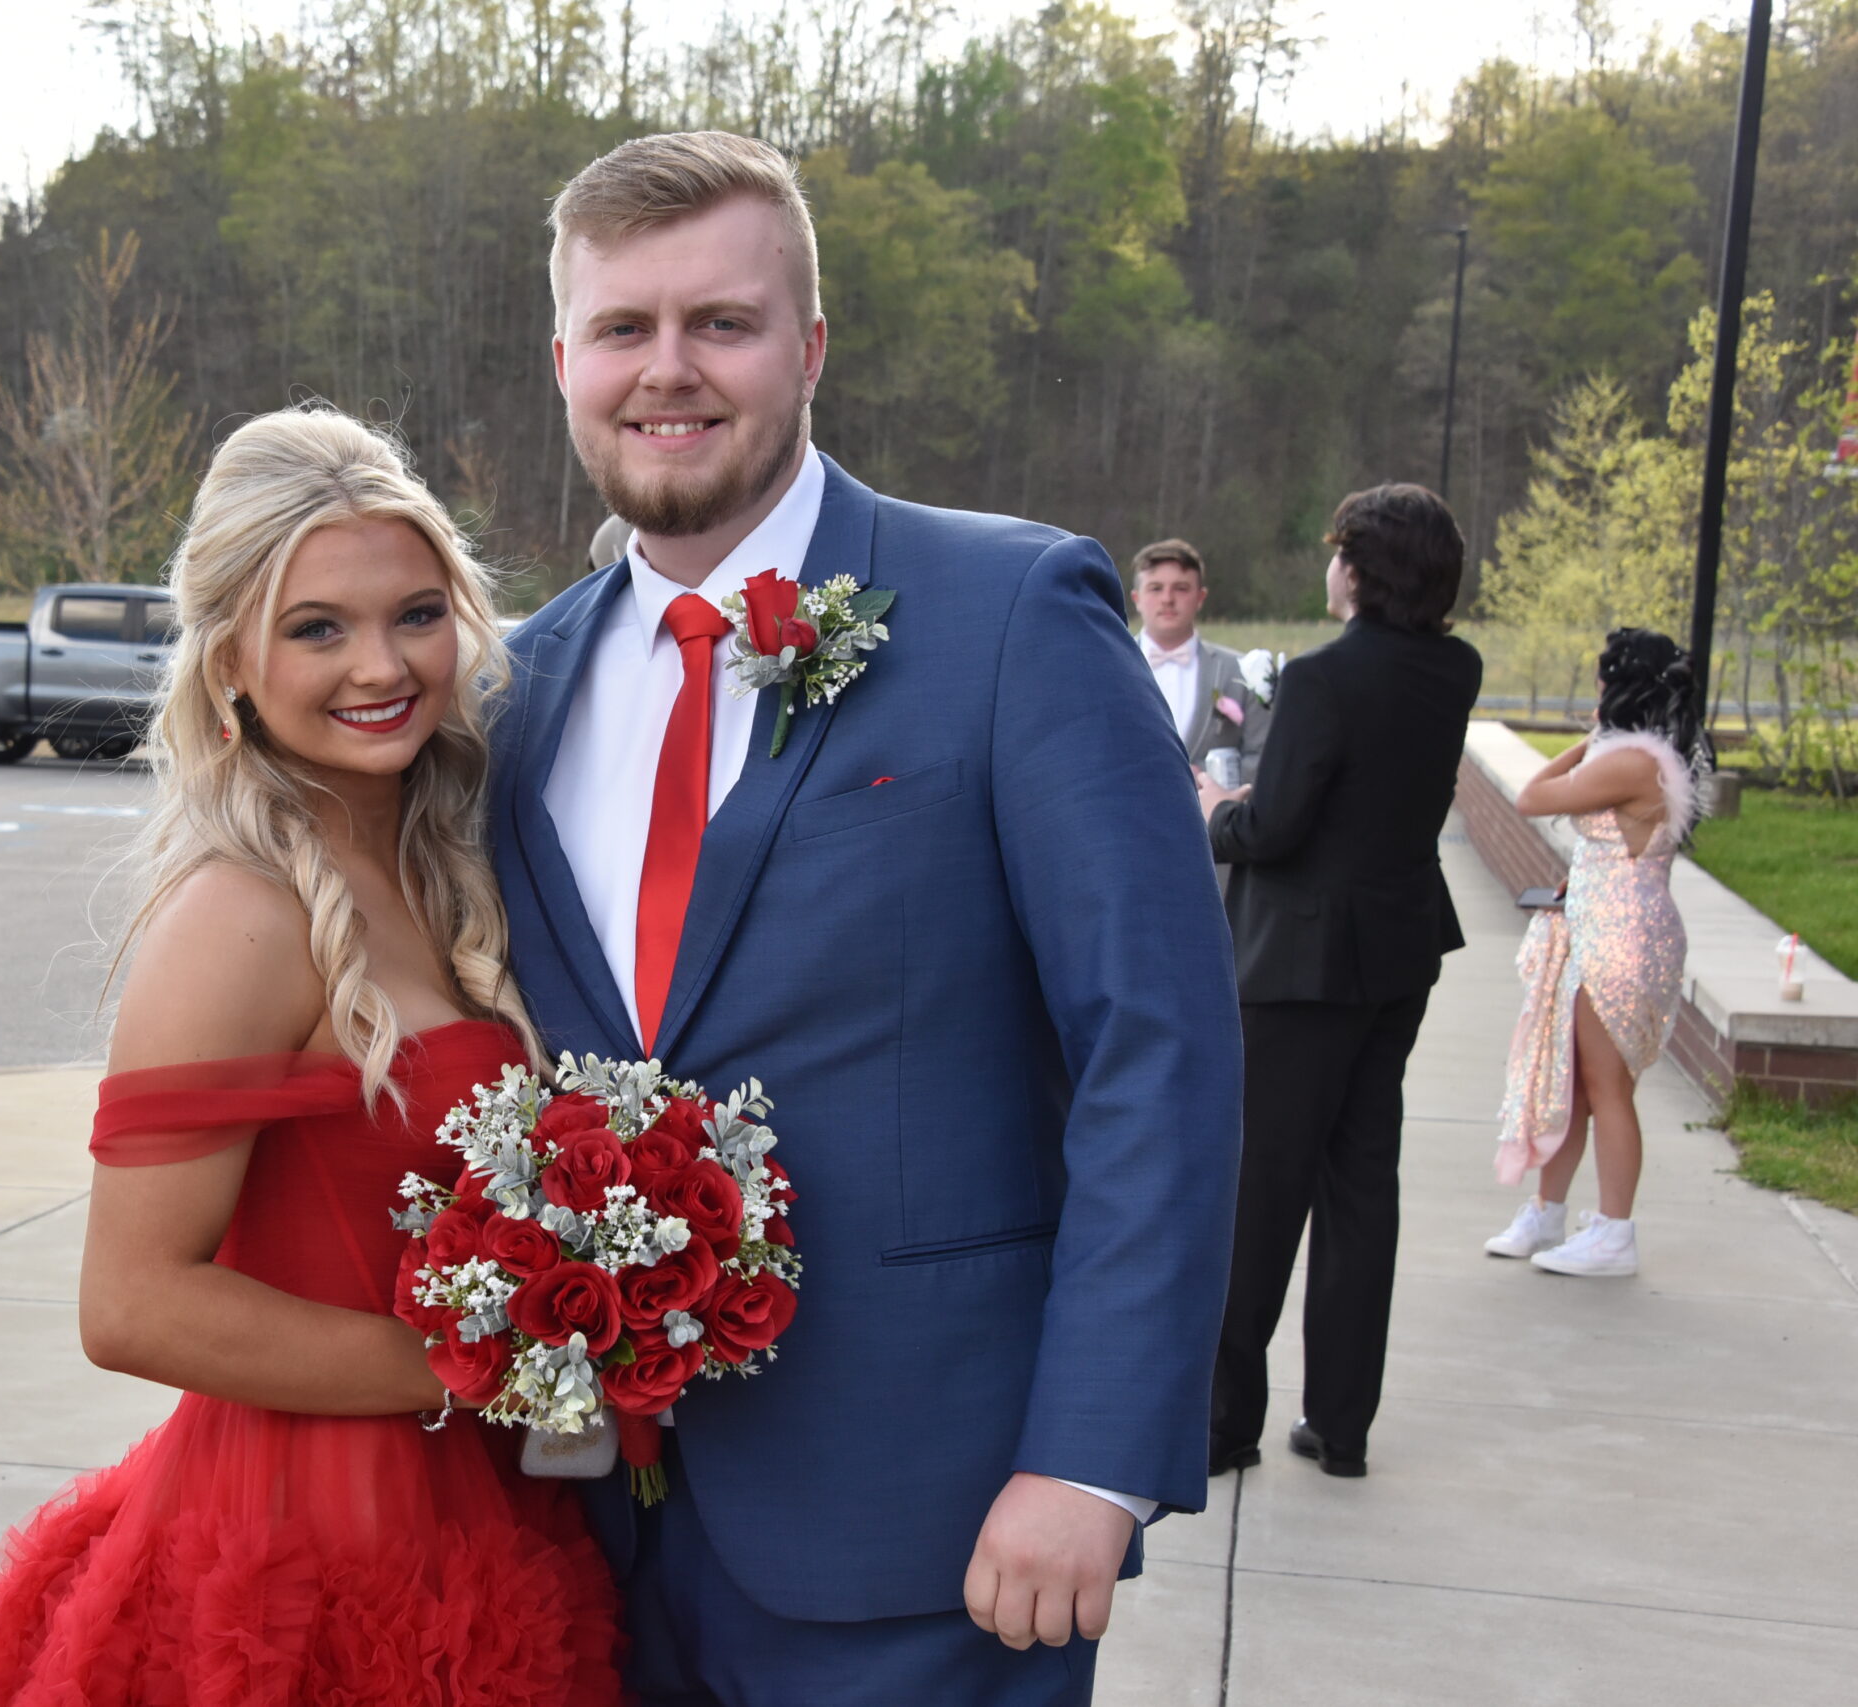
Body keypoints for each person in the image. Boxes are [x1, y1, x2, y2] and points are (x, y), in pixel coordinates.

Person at [493, 131, 1241, 1705]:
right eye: (624, 327)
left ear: (812, 346)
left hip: (936, 1533)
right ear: (565, 362)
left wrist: (1092, 1458)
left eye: (723, 321)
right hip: (585, 1539)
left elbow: (1158, 1044)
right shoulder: (515, 684)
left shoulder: (1013, 612)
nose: (669, 368)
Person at [0, 406, 622, 1707]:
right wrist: (484, 1363)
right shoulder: (238, 915)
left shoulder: (445, 865)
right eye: (317, 628)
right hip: (302, 1553)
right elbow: (131, 1303)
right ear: (230, 659)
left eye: (415, 613)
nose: (380, 664)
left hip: (482, 1509)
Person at [1198, 484, 1482, 1481]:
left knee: (1262, 1193)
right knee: (1362, 1185)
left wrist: (1215, 807)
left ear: (1361, 570)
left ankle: (1223, 1422)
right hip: (1398, 952)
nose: (1329, 569)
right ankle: (1341, 1422)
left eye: (1337, 553)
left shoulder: (1323, 679)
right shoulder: (1455, 668)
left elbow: (1273, 830)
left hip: (1300, 967)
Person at [1487, 630, 1707, 1279]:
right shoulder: (1646, 754)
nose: (1597, 690)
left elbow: (1532, 796)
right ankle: (1548, 1211)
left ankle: (1614, 1234)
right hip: (1608, 926)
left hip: (1621, 937)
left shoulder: (1632, 759)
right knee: (1576, 1083)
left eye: (1603, 681)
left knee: (1606, 1087)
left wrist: (1592, 738)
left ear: (1621, 688)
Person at [1131, 539, 1268, 783]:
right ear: (1136, 598)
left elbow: (1261, 756)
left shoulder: (1241, 671)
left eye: (1181, 588)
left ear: (1201, 597)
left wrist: (1212, 782)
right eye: (1155, 588)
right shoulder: (1108, 667)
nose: (1167, 599)